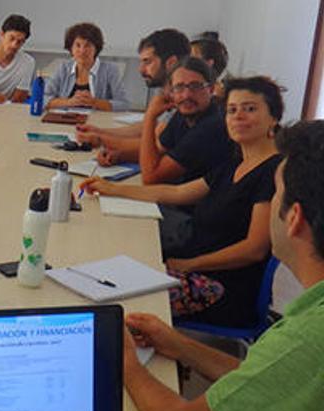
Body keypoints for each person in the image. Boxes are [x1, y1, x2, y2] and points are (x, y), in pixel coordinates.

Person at [120, 119, 324, 411]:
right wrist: (178, 344)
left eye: (276, 192)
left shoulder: (311, 341)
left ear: (294, 219)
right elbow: (263, 379)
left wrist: (126, 361)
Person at [81, 77, 284, 327]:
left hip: (220, 286)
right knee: (106, 266)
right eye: (232, 110)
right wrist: (113, 189)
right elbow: (177, 193)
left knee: (114, 300)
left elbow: (254, 249)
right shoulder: (236, 163)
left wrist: (189, 264)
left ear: (273, 117)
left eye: (250, 108)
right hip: (194, 265)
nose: (238, 116)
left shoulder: (274, 173)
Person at [76, 28, 190, 165]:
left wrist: (101, 140)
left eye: (147, 62)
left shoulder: (183, 100)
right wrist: (100, 131)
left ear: (171, 63)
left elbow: (154, 144)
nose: (141, 69)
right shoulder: (167, 92)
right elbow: (148, 128)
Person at [139, 57, 233, 185]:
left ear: (211, 90)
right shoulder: (183, 114)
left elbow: (151, 177)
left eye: (195, 86)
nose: (186, 95)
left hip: (197, 203)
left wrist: (150, 117)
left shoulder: (211, 126)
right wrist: (118, 155)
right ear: (171, 92)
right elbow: (158, 151)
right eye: (179, 87)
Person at [44, 22, 129, 111]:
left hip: (97, 122)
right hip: (65, 120)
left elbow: (123, 104)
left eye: (87, 45)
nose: (82, 50)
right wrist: (70, 102)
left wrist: (94, 102)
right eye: (78, 45)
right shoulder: (64, 68)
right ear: (71, 48)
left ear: (96, 48)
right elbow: (44, 98)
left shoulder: (110, 70)